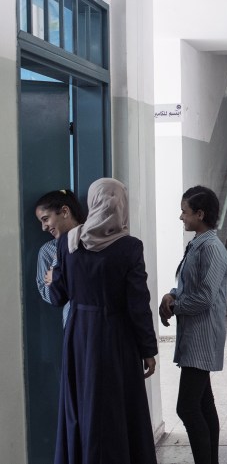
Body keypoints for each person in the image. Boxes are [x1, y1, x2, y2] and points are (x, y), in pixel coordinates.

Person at [48, 178, 158, 464]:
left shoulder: (69, 243)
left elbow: (59, 295)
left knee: (82, 403)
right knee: (116, 405)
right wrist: (148, 349)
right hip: (116, 334)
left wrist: (52, 280)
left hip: (79, 335)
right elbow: (138, 303)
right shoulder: (129, 247)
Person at [160, 186, 227, 464]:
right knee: (203, 404)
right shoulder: (198, 244)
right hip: (194, 335)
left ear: (200, 214)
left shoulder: (211, 248)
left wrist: (176, 305)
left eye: (184, 211)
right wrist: (172, 294)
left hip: (203, 336)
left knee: (187, 408)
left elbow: (204, 297)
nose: (181, 217)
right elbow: (188, 285)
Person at [34, 189, 86, 327]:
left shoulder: (93, 241)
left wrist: (58, 275)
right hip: (72, 322)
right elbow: (50, 296)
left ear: (64, 212)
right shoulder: (47, 251)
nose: (43, 227)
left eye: (45, 219)